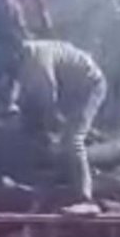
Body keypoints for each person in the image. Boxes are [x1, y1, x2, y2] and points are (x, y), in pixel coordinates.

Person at [17, 39, 107, 215]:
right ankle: (62, 178)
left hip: (89, 85)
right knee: (49, 134)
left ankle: (85, 199)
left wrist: (48, 129)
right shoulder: (19, 61)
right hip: (68, 87)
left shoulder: (35, 60)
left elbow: (47, 101)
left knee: (72, 140)